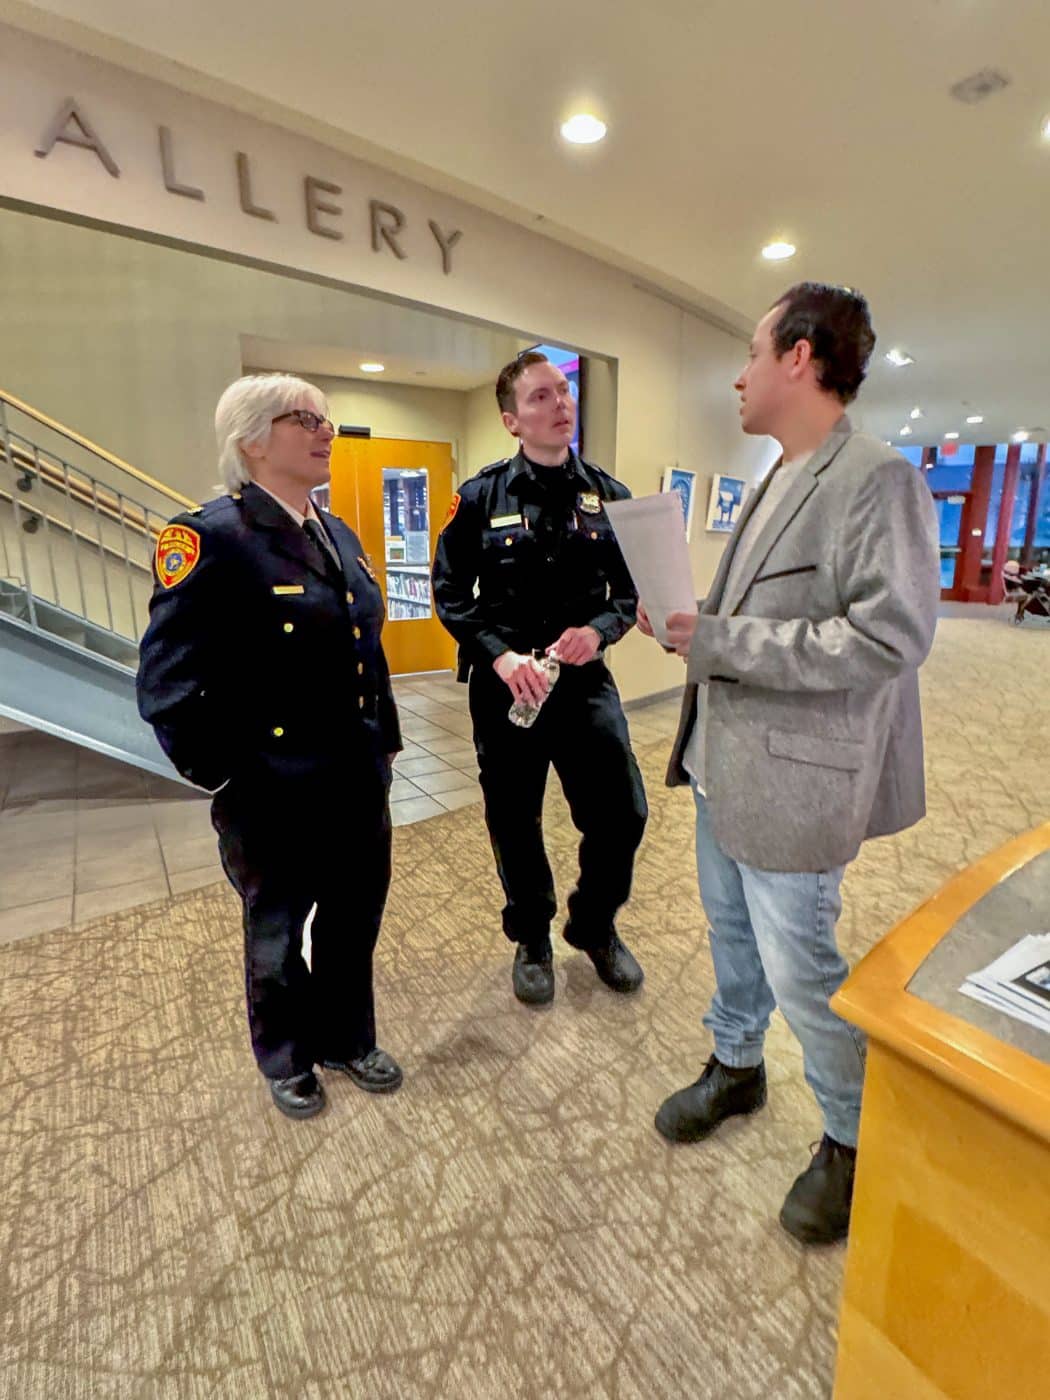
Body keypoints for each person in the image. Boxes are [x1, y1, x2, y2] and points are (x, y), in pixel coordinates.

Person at [642, 284, 940, 1244]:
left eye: (753, 351)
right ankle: (737, 1063)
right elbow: (756, 623)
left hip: (802, 776)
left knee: (801, 964)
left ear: (801, 358)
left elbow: (890, 637)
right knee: (732, 937)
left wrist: (723, 640)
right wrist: (695, 634)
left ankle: (853, 1136)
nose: (739, 373)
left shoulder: (875, 476)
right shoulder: (779, 474)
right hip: (729, 760)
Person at [137, 373, 403, 1120]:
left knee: (354, 916)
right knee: (279, 929)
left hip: (354, 773)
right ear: (252, 440)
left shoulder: (337, 530)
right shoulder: (211, 537)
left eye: (327, 418)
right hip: (273, 783)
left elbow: (365, 650)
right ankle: (286, 1056)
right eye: (304, 419)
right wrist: (224, 774)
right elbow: (167, 679)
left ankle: (349, 1037)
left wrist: (383, 744)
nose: (326, 431)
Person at [432, 351, 648, 1006]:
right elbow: (450, 593)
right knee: (514, 818)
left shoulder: (611, 497)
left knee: (623, 813)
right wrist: (499, 654)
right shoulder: (478, 497)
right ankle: (532, 936)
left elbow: (633, 593)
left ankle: (593, 923)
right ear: (511, 420)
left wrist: (601, 630)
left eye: (563, 392)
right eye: (541, 397)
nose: (560, 404)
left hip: (581, 684)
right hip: (507, 686)